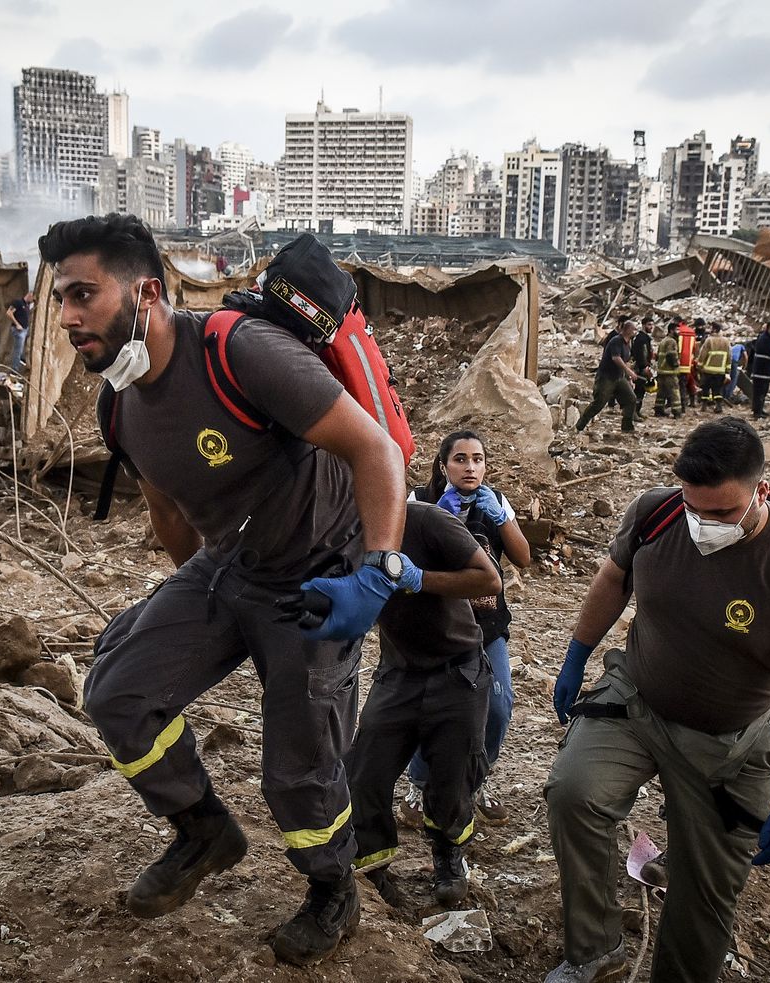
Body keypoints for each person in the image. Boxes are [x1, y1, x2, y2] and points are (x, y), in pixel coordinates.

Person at [40, 213, 411, 967]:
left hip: (319, 568)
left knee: (296, 773)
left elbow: (375, 449)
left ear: (145, 290)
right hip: (232, 562)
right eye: (60, 299)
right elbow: (167, 504)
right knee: (118, 690)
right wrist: (199, 609)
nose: (69, 315)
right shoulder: (118, 403)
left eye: (84, 293)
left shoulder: (240, 352)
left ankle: (333, 887)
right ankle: (205, 830)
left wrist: (377, 573)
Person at [546, 417, 770, 983]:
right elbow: (613, 580)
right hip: (636, 704)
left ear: (762, 491)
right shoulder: (657, 514)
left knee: (706, 888)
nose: (703, 524)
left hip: (730, 739)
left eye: (721, 513)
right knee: (573, 793)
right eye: (695, 508)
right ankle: (595, 948)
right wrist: (576, 656)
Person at [346, 500, 501, 908]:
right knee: (364, 773)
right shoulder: (340, 531)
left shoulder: (426, 521)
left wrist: (419, 579)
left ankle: (448, 854)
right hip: (398, 673)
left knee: (451, 779)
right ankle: (373, 865)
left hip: (457, 671)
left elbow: (489, 580)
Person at [399, 430, 532, 828]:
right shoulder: (419, 501)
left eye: (477, 459)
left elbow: (524, 558)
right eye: (460, 459)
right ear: (444, 465)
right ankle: (420, 784)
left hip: (486, 625)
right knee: (430, 705)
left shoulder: (495, 501)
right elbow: (402, 558)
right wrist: (435, 519)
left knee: (498, 704)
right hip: (433, 624)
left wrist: (501, 517)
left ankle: (473, 781)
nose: (470, 467)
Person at [577, 317, 639, 434]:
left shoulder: (628, 344)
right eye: (634, 329)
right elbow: (616, 358)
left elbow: (626, 361)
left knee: (631, 399)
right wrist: (629, 371)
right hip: (606, 377)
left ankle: (627, 427)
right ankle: (580, 426)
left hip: (619, 377)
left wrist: (629, 378)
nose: (636, 332)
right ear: (628, 330)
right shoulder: (616, 340)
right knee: (599, 403)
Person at [694, 322, 731, 413]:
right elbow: (729, 356)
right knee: (717, 390)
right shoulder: (726, 341)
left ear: (714, 329)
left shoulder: (709, 340)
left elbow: (703, 354)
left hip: (708, 370)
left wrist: (699, 366)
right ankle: (718, 406)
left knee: (706, 388)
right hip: (720, 371)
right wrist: (727, 370)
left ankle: (704, 406)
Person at [750, 320, 770, 419]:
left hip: (766, 371)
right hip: (761, 371)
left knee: (762, 393)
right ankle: (757, 412)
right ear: (769, 327)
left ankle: (759, 410)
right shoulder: (764, 339)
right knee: (759, 393)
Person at [654, 320, 684, 419]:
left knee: (661, 392)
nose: (678, 332)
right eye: (677, 330)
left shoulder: (663, 340)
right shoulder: (672, 341)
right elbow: (671, 355)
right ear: (671, 331)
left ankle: (658, 410)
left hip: (661, 371)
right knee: (674, 392)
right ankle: (677, 412)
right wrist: (676, 365)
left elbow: (658, 356)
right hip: (669, 372)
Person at [631, 315, 656, 416]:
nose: (651, 327)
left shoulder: (645, 338)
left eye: (652, 325)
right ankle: (634, 412)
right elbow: (641, 354)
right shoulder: (641, 339)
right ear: (643, 325)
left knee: (641, 390)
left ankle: (637, 411)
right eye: (649, 325)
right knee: (639, 390)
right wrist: (644, 366)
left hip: (643, 367)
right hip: (641, 368)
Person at [6, 290, 33, 372]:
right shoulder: (18, 303)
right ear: (29, 295)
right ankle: (14, 369)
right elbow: (9, 313)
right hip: (19, 330)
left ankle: (21, 362)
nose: (32, 301)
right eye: (32, 298)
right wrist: (17, 324)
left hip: (25, 329)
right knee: (18, 350)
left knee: (22, 349)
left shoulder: (26, 305)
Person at [722, 334, 749, 404]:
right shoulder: (742, 346)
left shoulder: (733, 347)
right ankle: (728, 396)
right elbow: (745, 357)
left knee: (727, 378)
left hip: (726, 360)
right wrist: (744, 367)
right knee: (734, 378)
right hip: (733, 361)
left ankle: (722, 395)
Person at [677, 319, 698, 409]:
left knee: (680, 385)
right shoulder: (692, 332)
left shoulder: (679, 331)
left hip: (679, 364)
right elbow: (694, 348)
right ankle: (692, 402)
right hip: (690, 363)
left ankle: (682, 404)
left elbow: (677, 348)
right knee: (690, 382)